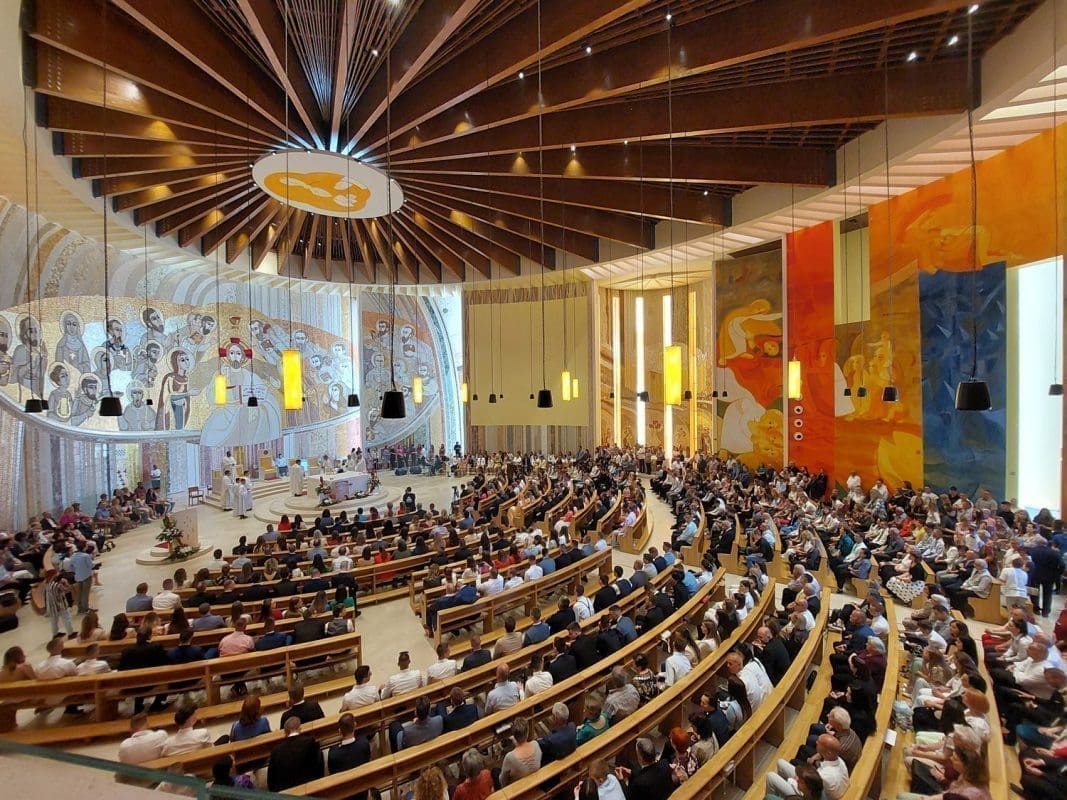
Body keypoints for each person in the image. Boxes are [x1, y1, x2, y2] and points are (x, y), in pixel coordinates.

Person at [267, 716, 325, 792]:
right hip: (309, 787)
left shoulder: (276, 750)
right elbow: (319, 766)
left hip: (286, 792)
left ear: (285, 732)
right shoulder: (310, 742)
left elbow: (271, 779)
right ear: (300, 729)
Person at [500, 716, 543, 785]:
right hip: (537, 782)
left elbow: (502, 780)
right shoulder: (536, 744)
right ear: (527, 733)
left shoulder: (510, 757)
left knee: (495, 771)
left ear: (514, 735)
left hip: (519, 787)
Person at [327, 713, 371, 778]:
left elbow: (332, 774)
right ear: (355, 725)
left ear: (340, 731)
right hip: (363, 779)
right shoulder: (364, 743)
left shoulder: (333, 753)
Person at [44, 571, 74, 638]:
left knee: (54, 621)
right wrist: (66, 583)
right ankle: (70, 633)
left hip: (51, 605)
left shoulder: (49, 584)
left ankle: (55, 634)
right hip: (60, 605)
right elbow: (67, 590)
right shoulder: (58, 585)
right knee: (66, 618)